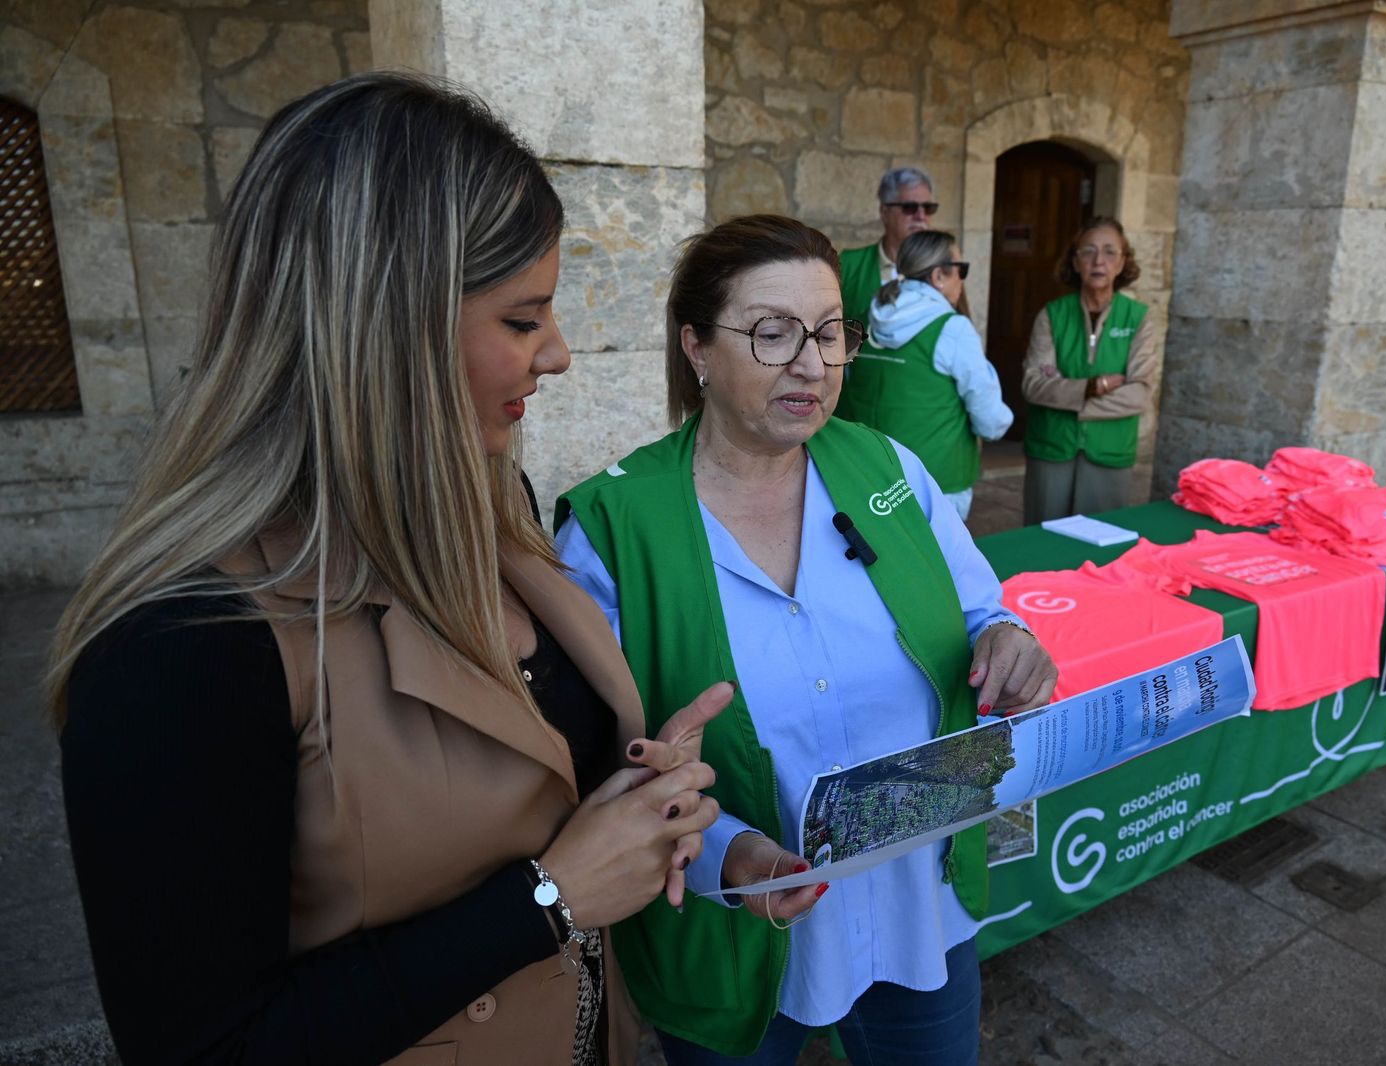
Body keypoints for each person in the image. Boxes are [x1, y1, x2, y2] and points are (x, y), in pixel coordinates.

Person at [46, 73, 727, 1066]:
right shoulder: (182, 645)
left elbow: (524, 791)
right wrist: (549, 898)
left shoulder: (493, 508)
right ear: (386, 330)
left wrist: (634, 803)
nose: (560, 355)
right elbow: (204, 1046)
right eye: (523, 319)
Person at [554, 215, 1057, 1065]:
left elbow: (982, 611)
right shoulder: (612, 529)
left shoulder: (890, 470)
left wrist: (1010, 638)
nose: (813, 365)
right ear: (696, 347)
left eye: (828, 333)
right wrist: (725, 850)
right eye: (773, 333)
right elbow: (589, 761)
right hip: (731, 932)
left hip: (917, 904)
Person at [835, 229, 1012, 520]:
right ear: (938, 276)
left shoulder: (867, 319)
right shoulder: (953, 329)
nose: (963, 279)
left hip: (870, 474)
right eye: (961, 269)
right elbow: (991, 421)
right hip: (937, 484)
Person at [1020, 216, 1156, 523]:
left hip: (1110, 450)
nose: (1098, 261)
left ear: (1122, 263)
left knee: (1099, 541)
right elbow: (1033, 384)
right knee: (1044, 537)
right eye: (1088, 251)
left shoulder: (1138, 318)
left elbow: (1139, 394)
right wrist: (1093, 388)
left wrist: (1068, 398)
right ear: (1075, 261)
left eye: (1110, 252)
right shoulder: (1052, 315)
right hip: (1051, 446)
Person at [837, 166, 939, 327]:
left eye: (928, 208)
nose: (921, 216)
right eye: (910, 207)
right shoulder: (848, 264)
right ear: (884, 212)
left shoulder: (943, 267)